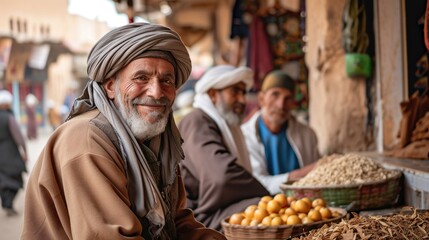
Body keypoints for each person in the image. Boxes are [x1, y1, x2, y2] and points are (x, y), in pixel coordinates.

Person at [21, 23, 226, 240]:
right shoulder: (88, 140)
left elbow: (176, 222)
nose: (157, 92)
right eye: (141, 78)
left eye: (166, 80)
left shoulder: (156, 141)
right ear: (110, 86)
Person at [178, 65, 270, 231]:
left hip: (217, 208)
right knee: (265, 208)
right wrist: (268, 196)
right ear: (213, 94)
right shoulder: (197, 120)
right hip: (197, 218)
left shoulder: (224, 124)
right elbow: (221, 176)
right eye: (235, 92)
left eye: (243, 92)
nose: (242, 100)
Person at [241, 70, 321, 195]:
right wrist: (303, 173)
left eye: (287, 98)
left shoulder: (307, 135)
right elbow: (257, 183)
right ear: (261, 99)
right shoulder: (245, 136)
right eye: (275, 95)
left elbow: (318, 180)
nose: (281, 105)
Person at [0, 90, 27, 217]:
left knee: (3, 181)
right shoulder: (9, 117)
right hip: (10, 154)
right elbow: (19, 137)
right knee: (15, 179)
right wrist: (24, 150)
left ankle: (6, 204)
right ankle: (8, 204)